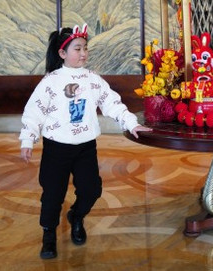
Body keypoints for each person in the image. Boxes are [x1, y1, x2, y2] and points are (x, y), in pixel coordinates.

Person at [19, 24, 152, 259]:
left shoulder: (93, 80)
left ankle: (77, 216)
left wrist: (131, 123)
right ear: (62, 53)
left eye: (85, 48)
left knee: (91, 190)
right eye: (77, 49)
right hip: (56, 148)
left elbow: (112, 103)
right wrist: (27, 139)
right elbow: (33, 112)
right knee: (52, 195)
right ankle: (49, 235)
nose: (83, 53)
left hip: (85, 147)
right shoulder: (51, 81)